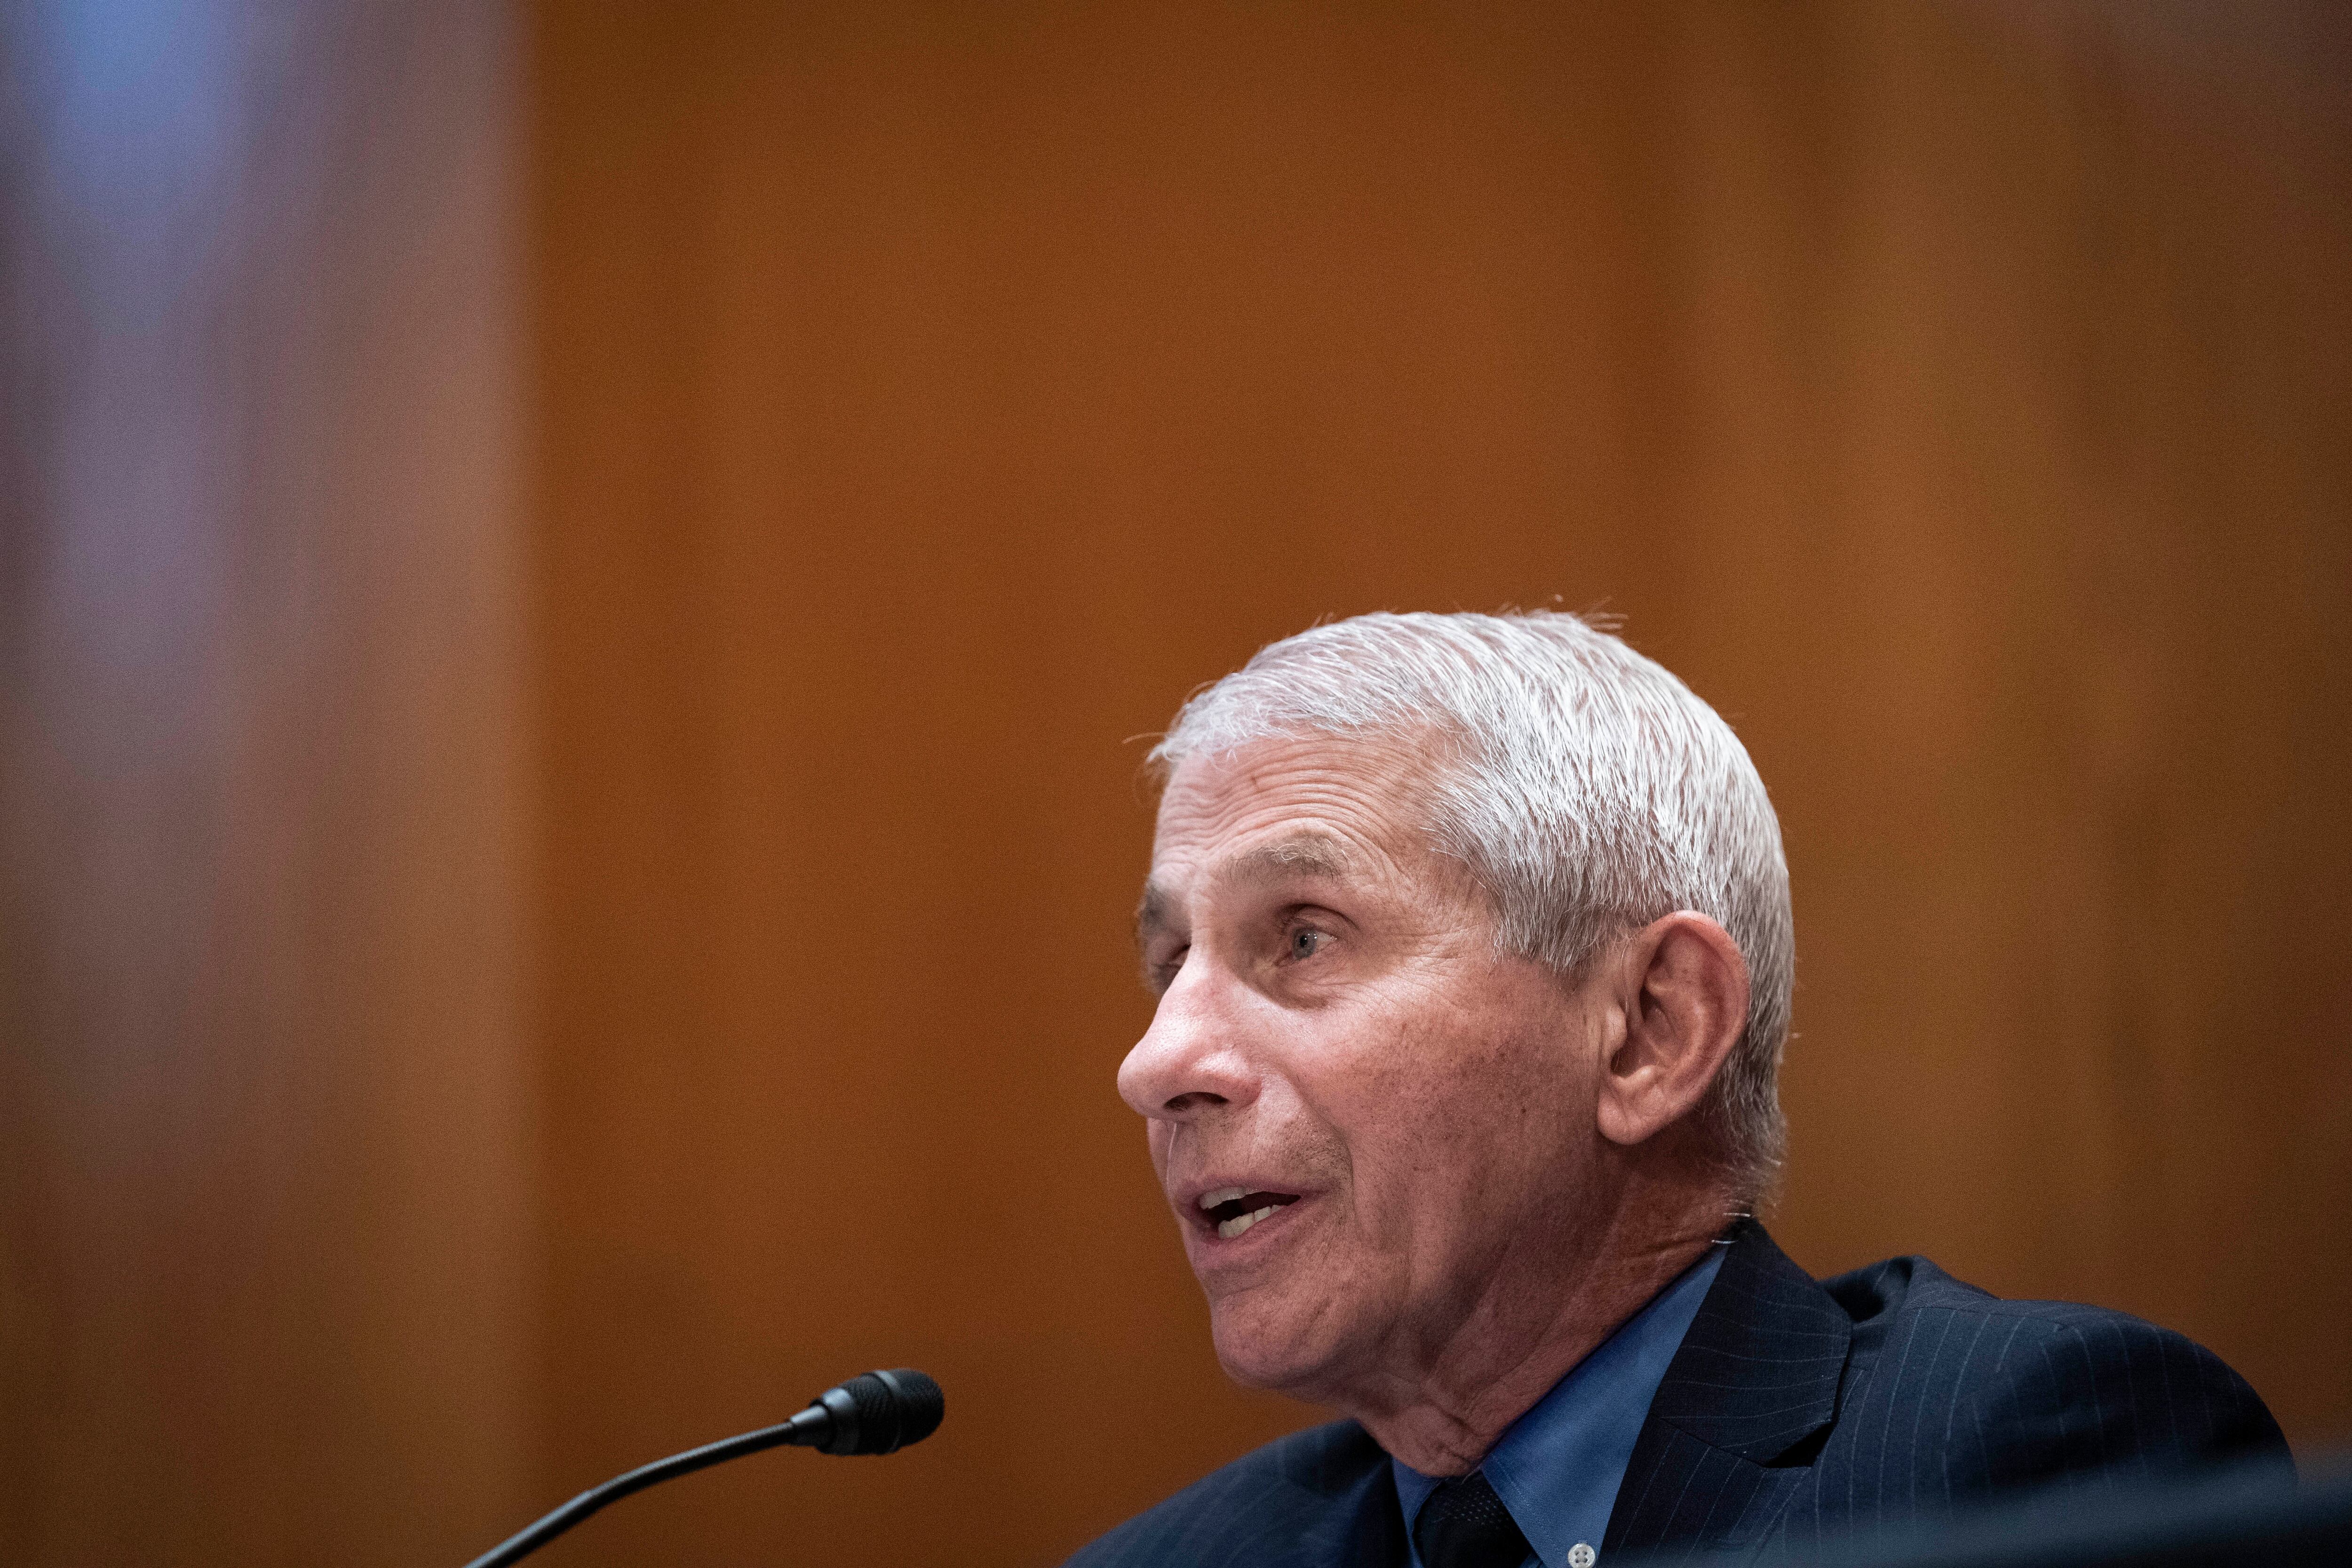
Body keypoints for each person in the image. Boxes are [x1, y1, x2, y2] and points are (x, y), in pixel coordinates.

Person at [1067, 611, 2286, 1568]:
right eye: (1171, 964)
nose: (1156, 1063)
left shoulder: (2018, 1468)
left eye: (1303, 939)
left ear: (1653, 1028)